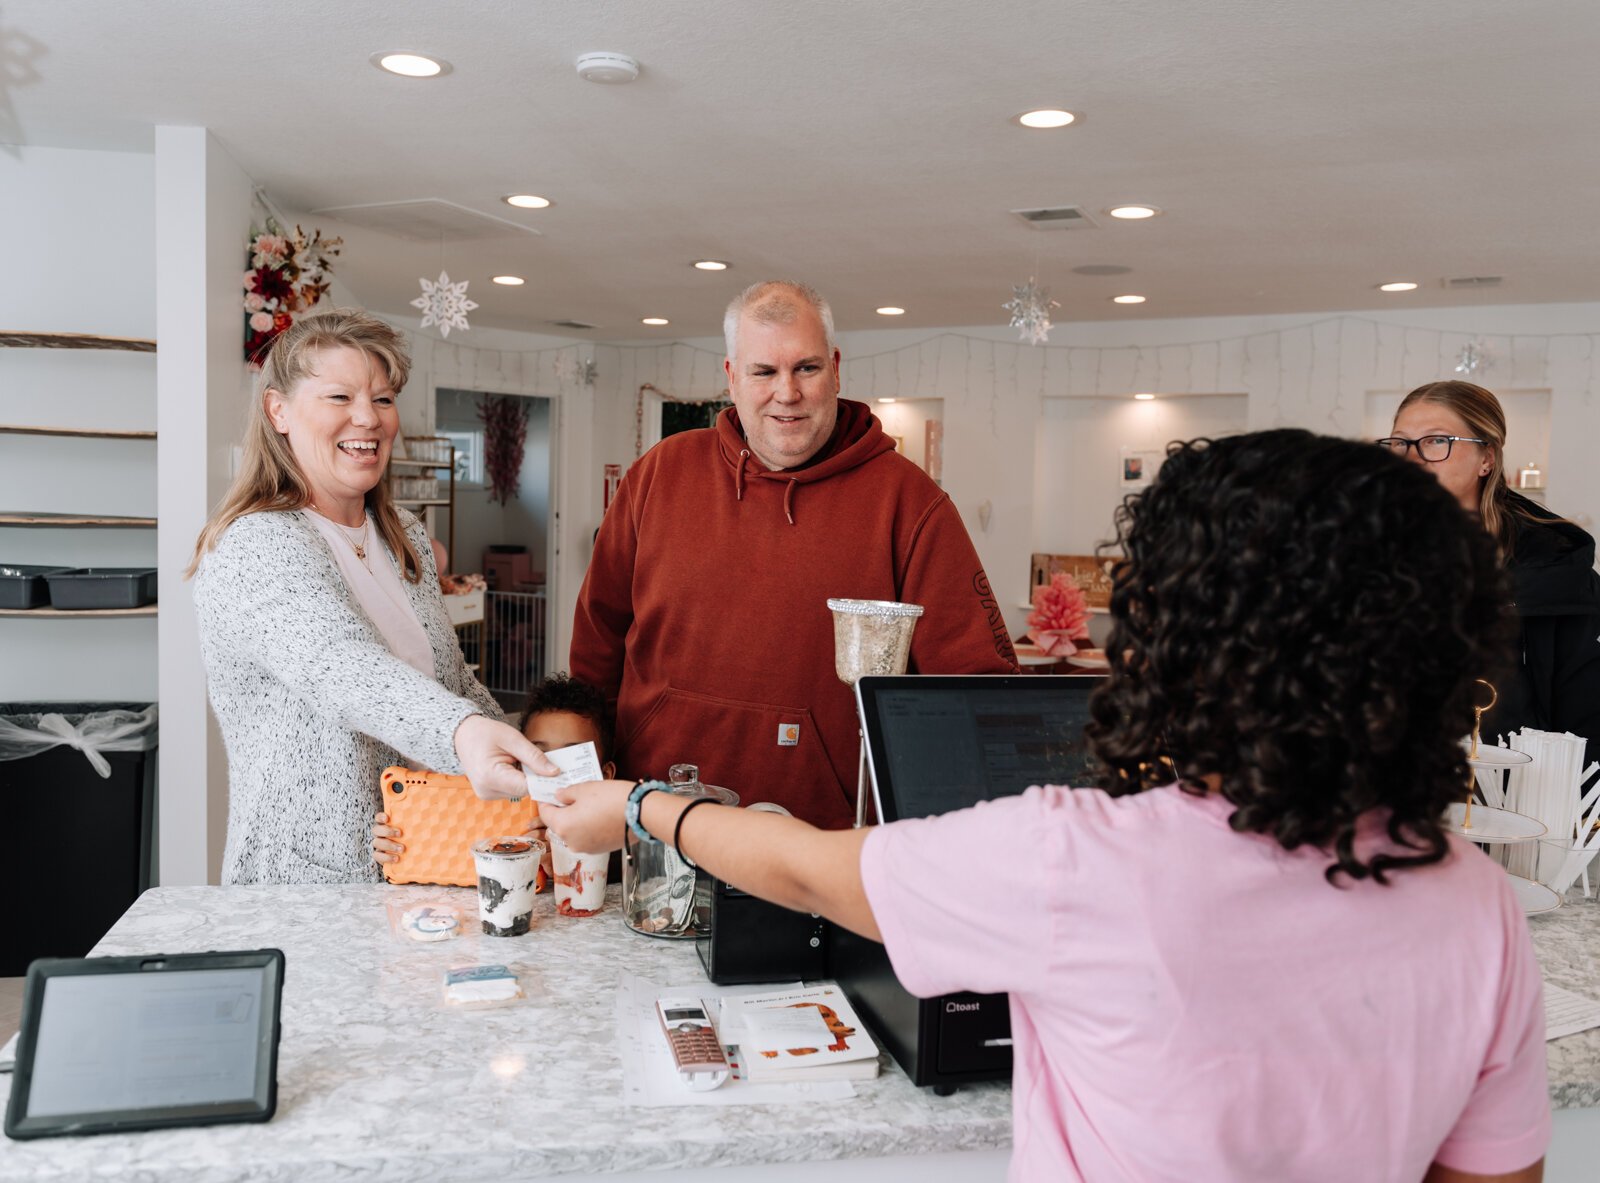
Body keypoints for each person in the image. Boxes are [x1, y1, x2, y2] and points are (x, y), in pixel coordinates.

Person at [547, 429, 1548, 1183]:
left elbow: (802, 864)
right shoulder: (1476, 901)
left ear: (1188, 639)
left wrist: (641, 806)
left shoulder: (1083, 863)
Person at [570, 280, 1017, 826]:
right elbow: (596, 645)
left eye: (805, 368)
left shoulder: (910, 504)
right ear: (732, 377)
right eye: (764, 372)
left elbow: (972, 692)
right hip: (657, 823)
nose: (787, 392)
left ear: (834, 368)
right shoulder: (658, 475)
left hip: (823, 848)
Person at [190, 309, 552, 886]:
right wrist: (463, 733)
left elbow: (452, 681)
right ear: (277, 410)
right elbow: (338, 665)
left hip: (428, 868)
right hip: (311, 888)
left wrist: (525, 786)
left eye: (383, 399)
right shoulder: (256, 545)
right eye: (339, 396)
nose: (368, 418)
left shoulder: (403, 535)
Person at [1386, 379, 1600, 757]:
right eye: (1400, 443)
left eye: (1437, 440)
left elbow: (1587, 727)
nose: (1412, 457)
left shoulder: (1558, 576)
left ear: (1487, 457)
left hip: (1511, 800)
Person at [372, 671, 616, 870]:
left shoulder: (616, 834)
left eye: (571, 760)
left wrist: (564, 864)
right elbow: (450, 842)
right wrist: (400, 841)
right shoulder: (497, 810)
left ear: (605, 775)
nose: (553, 773)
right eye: (539, 757)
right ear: (518, 764)